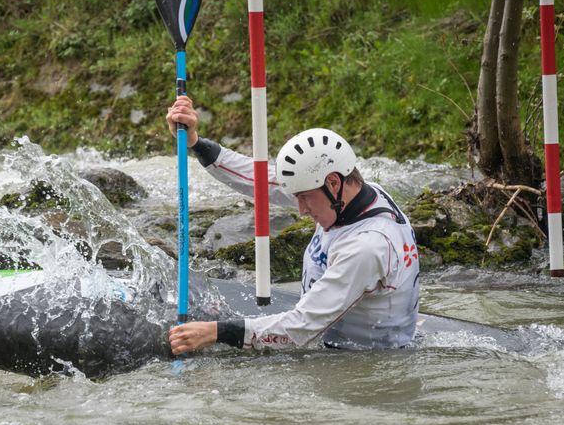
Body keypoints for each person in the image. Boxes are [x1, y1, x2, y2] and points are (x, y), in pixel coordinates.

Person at [166, 96, 420, 355]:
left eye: (304, 198)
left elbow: (300, 327)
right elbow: (259, 179)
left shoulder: (367, 247)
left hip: (365, 361)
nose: (301, 210)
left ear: (333, 183)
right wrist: (196, 143)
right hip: (330, 335)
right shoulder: (353, 194)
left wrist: (216, 332)